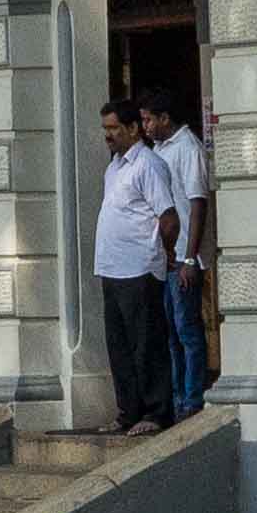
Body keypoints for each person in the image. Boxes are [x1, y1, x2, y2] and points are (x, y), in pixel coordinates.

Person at [89, 99, 177, 432]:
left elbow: (169, 218)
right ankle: (128, 412)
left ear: (132, 128)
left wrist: (163, 254)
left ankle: (156, 413)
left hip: (140, 267)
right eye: (105, 129)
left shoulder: (148, 165)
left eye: (113, 128)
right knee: (120, 346)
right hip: (112, 267)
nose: (107, 135)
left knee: (147, 343)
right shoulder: (114, 167)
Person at [152, 97, 213, 416]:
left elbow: (197, 202)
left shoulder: (188, 147)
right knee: (171, 332)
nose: (146, 127)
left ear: (165, 117)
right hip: (165, 258)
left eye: (150, 120)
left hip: (184, 257)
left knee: (186, 328)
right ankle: (176, 397)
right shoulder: (159, 150)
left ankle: (192, 398)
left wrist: (190, 258)